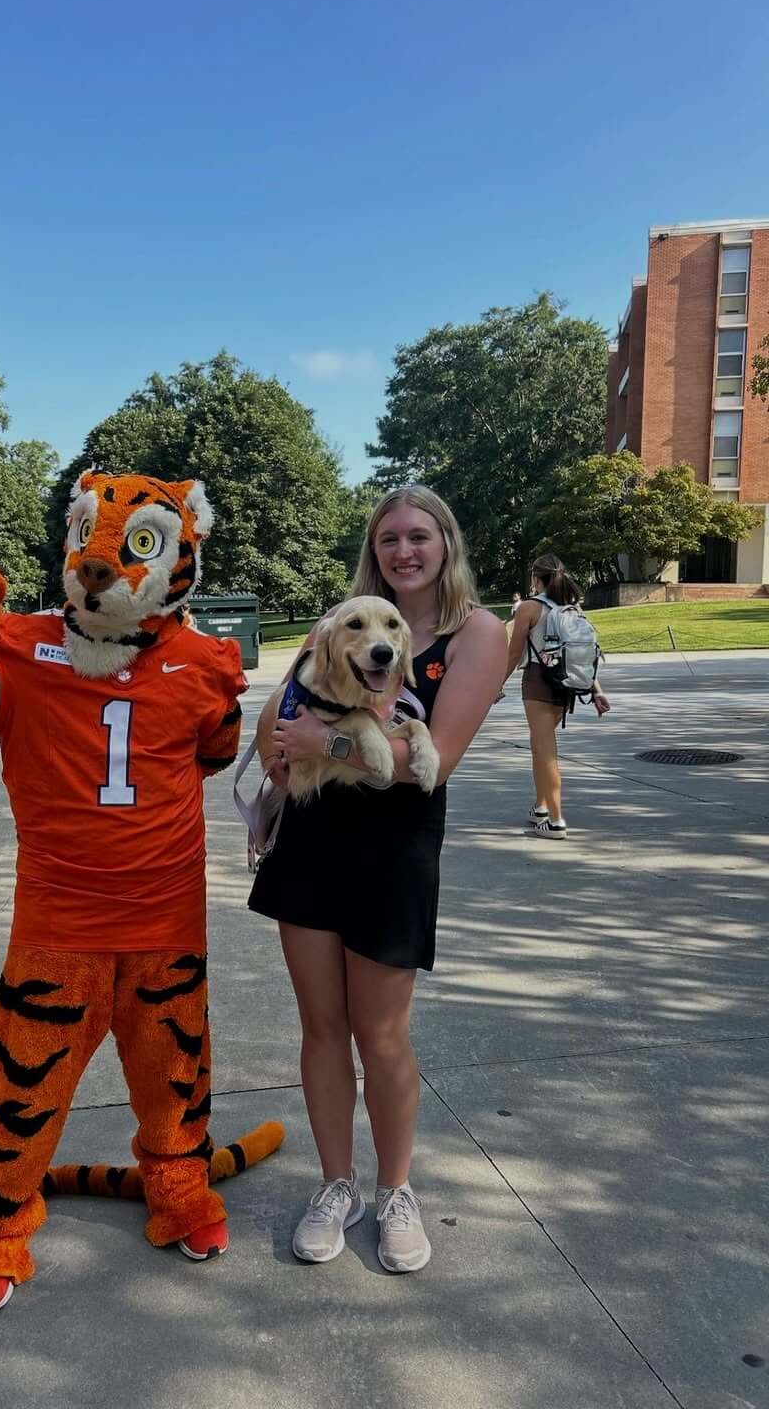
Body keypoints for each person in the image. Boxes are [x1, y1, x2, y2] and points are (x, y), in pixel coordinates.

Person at [248, 485, 506, 1273]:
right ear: (375, 550)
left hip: (396, 851)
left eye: (419, 535)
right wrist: (296, 744)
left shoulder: (475, 634)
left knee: (383, 1035)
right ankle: (338, 1185)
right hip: (312, 838)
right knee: (322, 1028)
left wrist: (325, 742)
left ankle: (396, 1191)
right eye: (389, 538)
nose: (404, 551)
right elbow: (275, 730)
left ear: (446, 542)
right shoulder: (345, 620)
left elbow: (430, 766)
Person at [503, 553, 611, 840]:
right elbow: (582, 656)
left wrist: (495, 685)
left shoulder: (529, 608)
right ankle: (541, 806)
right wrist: (596, 690)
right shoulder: (572, 608)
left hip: (538, 682)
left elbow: (513, 654)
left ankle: (555, 820)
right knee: (539, 746)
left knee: (546, 751)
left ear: (536, 577)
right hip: (566, 684)